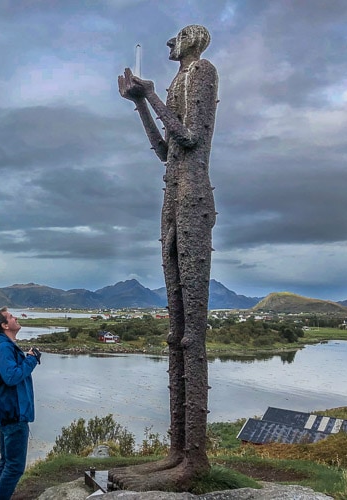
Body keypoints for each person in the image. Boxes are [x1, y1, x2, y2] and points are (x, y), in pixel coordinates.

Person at [110, 25, 218, 491]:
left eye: (174, 38)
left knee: (192, 331)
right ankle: (177, 451)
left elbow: (190, 138)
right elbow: (165, 150)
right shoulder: (176, 84)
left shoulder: (203, 72)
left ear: (192, 41)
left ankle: (194, 459)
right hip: (172, 195)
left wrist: (150, 95)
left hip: (192, 198)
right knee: (175, 330)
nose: (167, 45)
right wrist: (140, 104)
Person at [0, 307, 41, 500]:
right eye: (11, 317)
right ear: (4, 325)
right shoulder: (4, 348)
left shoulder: (4, 346)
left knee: (6, 463)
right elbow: (11, 377)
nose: (15, 317)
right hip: (12, 413)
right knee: (15, 467)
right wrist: (32, 360)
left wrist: (27, 358)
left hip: (8, 411)